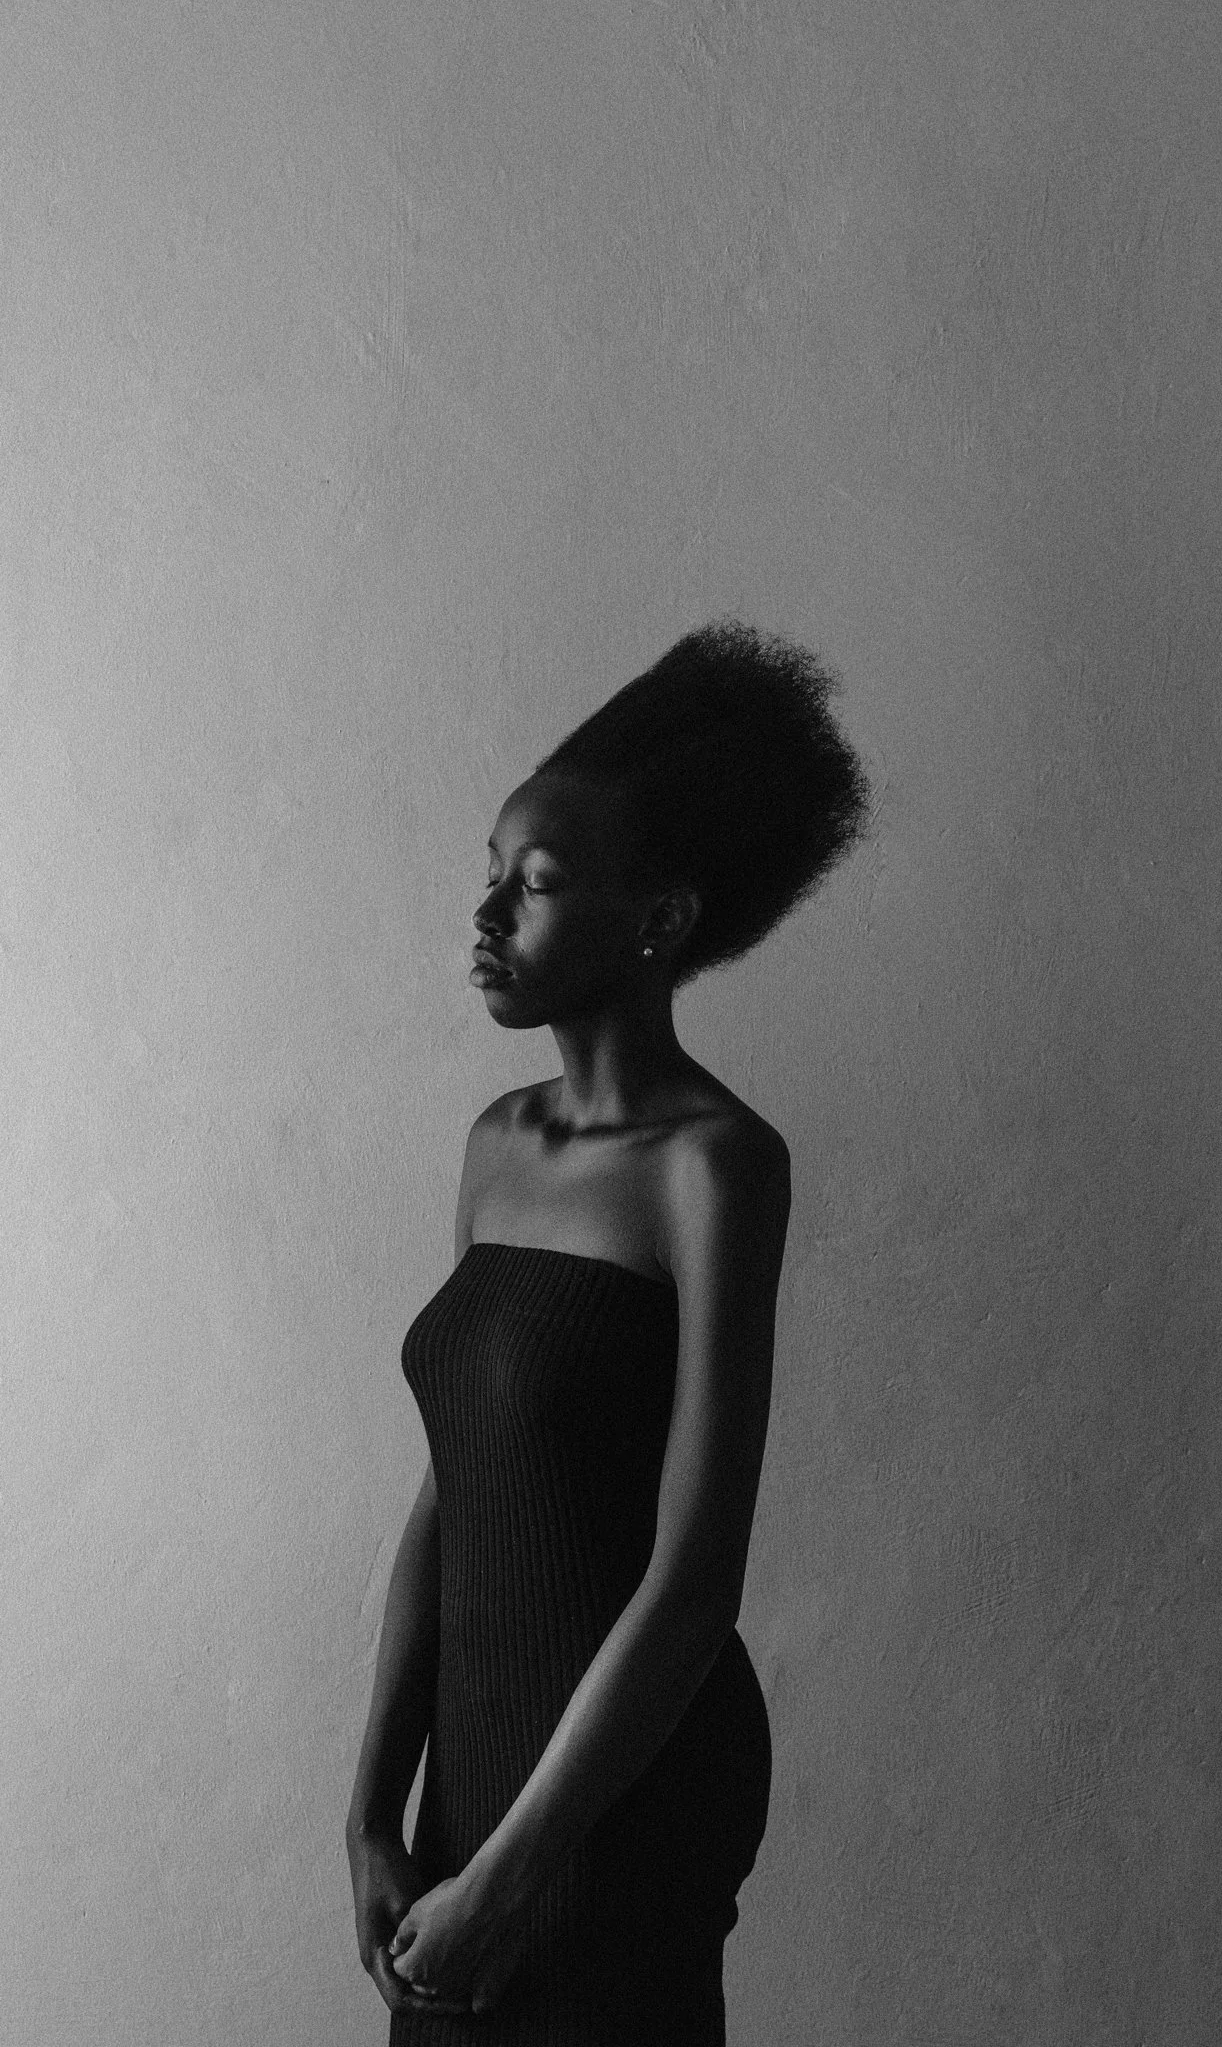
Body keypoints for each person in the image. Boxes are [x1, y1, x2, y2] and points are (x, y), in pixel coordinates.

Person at [346, 620, 870, 2043]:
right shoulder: (495, 1145)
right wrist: (372, 1813)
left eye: (536, 882)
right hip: (471, 1783)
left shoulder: (715, 1169)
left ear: (658, 921)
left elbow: (695, 1581)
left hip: (622, 1797)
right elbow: (451, 1489)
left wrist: (514, 1872)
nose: (486, 914)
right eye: (490, 872)